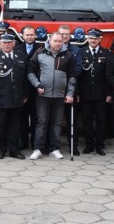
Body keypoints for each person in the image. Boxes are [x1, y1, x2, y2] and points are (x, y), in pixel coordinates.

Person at [28, 32, 76, 160]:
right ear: (49, 41)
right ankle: (38, 149)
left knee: (57, 123)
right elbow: (30, 72)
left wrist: (70, 93)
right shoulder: (40, 53)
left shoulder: (68, 55)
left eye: (60, 41)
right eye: (55, 41)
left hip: (60, 96)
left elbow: (72, 76)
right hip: (43, 95)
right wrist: (37, 85)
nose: (58, 43)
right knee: (42, 122)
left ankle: (54, 148)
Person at [0, 33, 29, 159]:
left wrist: (25, 94)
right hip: (0, 98)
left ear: (14, 43)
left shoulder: (21, 56)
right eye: (4, 42)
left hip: (17, 97)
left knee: (15, 126)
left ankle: (14, 150)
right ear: (1, 44)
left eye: (9, 42)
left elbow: (25, 78)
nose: (7, 44)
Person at [77, 28, 110, 156]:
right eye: (91, 38)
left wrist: (108, 94)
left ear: (100, 39)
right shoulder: (81, 53)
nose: (93, 40)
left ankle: (100, 145)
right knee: (86, 120)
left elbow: (108, 76)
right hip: (85, 94)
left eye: (95, 38)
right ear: (87, 39)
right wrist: (78, 93)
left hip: (101, 94)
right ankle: (89, 144)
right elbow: (78, 76)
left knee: (102, 120)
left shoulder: (106, 53)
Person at [58, 25, 82, 156]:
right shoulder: (52, 48)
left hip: (71, 89)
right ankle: (52, 146)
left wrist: (64, 78)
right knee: (54, 119)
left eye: (67, 34)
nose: (65, 36)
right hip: (55, 89)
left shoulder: (76, 50)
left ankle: (73, 146)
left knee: (71, 119)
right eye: (62, 34)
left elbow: (78, 69)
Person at [18, 25, 41, 150]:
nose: (30, 37)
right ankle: (23, 141)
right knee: (22, 118)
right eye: (27, 35)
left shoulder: (41, 49)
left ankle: (34, 143)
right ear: (22, 36)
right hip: (21, 90)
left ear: (35, 35)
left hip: (36, 90)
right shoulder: (17, 49)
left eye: (32, 34)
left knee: (36, 118)